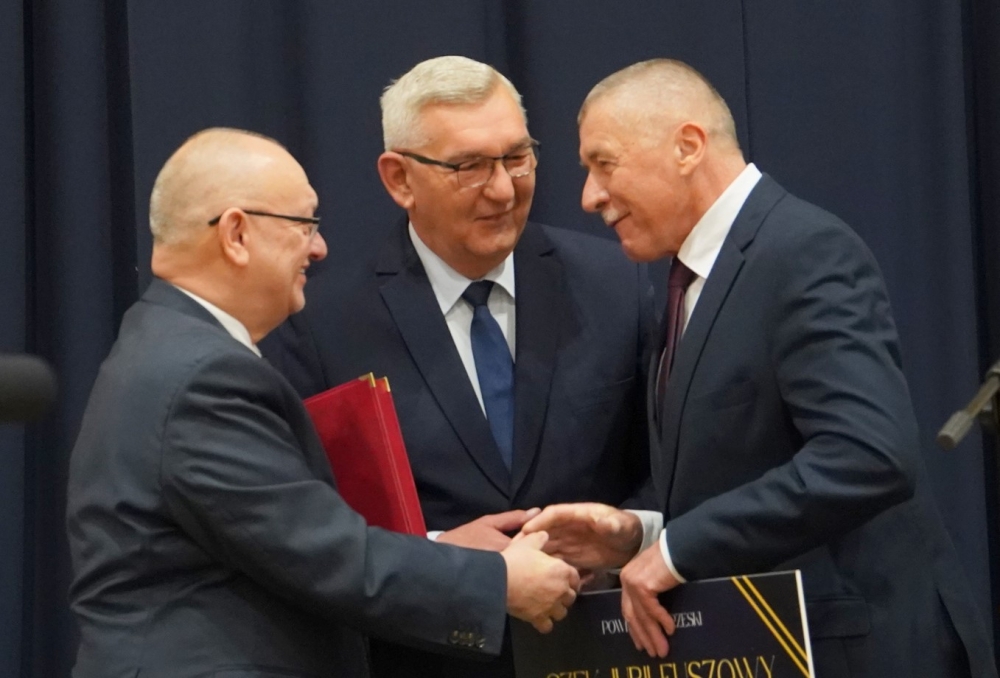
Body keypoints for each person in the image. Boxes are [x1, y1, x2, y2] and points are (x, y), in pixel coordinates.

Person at [522, 59, 998, 678]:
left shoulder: (803, 251)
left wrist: (678, 550)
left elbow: (869, 455)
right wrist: (637, 534)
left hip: (858, 649)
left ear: (688, 146)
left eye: (604, 163)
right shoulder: (686, 281)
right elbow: (735, 466)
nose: (589, 196)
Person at [65, 128, 580, 678]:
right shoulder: (203, 376)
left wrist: (447, 553)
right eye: (304, 224)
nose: (319, 248)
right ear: (236, 234)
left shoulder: (163, 344)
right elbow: (323, 553)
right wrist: (499, 582)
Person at [261, 56, 656, 678]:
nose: (502, 190)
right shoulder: (322, 326)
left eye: (516, 157)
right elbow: (307, 531)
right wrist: (443, 557)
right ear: (399, 179)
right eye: (468, 167)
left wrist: (625, 536)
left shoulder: (615, 284)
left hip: (600, 652)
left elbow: (668, 466)